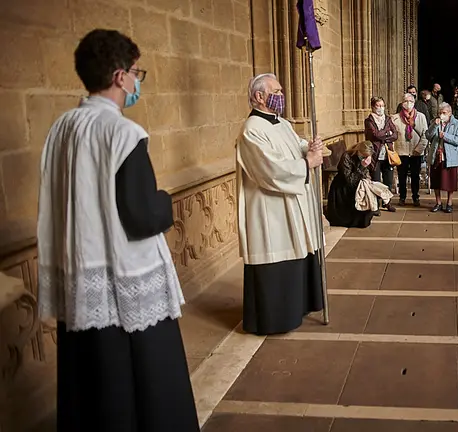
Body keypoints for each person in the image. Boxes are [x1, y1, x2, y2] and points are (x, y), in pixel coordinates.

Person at [37, 29, 198, 431]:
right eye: (135, 72)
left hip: (82, 283)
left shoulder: (61, 128)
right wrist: (164, 202)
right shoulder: (123, 132)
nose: (136, 81)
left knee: (92, 388)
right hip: (125, 286)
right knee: (145, 391)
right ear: (119, 75)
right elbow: (142, 215)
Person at [236, 73, 325, 335]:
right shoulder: (251, 129)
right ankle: (275, 319)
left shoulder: (281, 123)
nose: (281, 96)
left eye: (281, 91)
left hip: (291, 206)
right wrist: (307, 163)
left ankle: (295, 309)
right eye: (276, 91)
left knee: (298, 253)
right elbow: (270, 170)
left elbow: (296, 146)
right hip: (269, 211)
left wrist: (310, 146)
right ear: (259, 96)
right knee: (277, 257)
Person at [326, 141, 387, 228]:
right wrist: (362, 166)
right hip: (343, 186)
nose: (364, 157)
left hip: (358, 184)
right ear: (358, 151)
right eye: (363, 155)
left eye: (366, 156)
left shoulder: (368, 157)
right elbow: (349, 179)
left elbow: (368, 173)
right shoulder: (346, 156)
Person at [425, 103, 458, 213]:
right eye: (440, 113)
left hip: (449, 156)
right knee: (436, 180)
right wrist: (434, 126)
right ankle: (438, 202)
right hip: (436, 155)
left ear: (450, 113)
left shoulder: (457, 123)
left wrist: (446, 136)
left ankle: (449, 202)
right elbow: (428, 136)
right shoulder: (434, 122)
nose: (441, 115)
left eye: (444, 113)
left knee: (449, 182)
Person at [392, 92, 429, 207]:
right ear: (402, 103)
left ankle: (415, 197)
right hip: (401, 151)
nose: (408, 104)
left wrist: (419, 149)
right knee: (402, 176)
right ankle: (402, 197)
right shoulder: (395, 118)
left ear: (414, 103)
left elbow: (425, 134)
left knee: (415, 176)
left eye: (411, 101)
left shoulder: (421, 117)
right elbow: (392, 136)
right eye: (406, 101)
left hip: (416, 152)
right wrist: (393, 151)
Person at [364, 96, 398, 213]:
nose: (380, 108)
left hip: (387, 154)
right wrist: (386, 133)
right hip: (375, 154)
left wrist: (384, 134)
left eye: (382, 105)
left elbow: (395, 135)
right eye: (378, 106)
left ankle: (387, 202)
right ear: (373, 107)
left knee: (388, 180)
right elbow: (375, 135)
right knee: (376, 180)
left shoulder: (388, 119)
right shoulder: (369, 121)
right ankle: (376, 205)